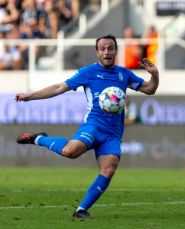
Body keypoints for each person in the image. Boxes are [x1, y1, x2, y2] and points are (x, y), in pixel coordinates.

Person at [15, 34, 159, 219]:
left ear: (116, 51)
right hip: (93, 126)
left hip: (113, 133)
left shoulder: (124, 74)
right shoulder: (88, 72)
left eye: (110, 48)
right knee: (70, 152)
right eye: (103, 48)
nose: (107, 51)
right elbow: (60, 87)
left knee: (109, 169)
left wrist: (154, 75)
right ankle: (38, 138)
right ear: (97, 52)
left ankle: (81, 210)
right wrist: (30, 96)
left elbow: (149, 89)